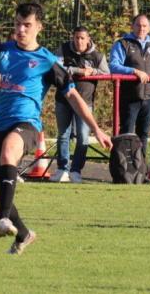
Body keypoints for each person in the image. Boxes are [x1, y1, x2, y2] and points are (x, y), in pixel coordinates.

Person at [0, 2, 112, 255]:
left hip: (26, 123)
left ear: (39, 27)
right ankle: (24, 234)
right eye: (17, 24)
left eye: (27, 25)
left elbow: (72, 96)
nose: (21, 29)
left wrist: (96, 129)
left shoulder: (47, 60)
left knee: (8, 153)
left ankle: (4, 220)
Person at [50, 26, 109, 183]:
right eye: (76, 37)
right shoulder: (63, 49)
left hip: (85, 102)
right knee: (63, 134)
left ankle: (76, 170)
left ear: (88, 39)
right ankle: (62, 168)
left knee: (83, 137)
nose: (79, 41)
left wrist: (94, 72)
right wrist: (79, 71)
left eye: (82, 38)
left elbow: (107, 73)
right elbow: (56, 67)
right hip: (63, 100)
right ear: (72, 37)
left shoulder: (97, 55)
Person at [109, 14, 150, 152]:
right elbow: (113, 66)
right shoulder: (122, 44)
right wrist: (133, 71)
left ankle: (141, 169)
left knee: (143, 134)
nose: (141, 28)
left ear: (149, 28)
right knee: (126, 133)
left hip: (149, 98)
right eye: (138, 25)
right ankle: (125, 169)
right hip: (129, 97)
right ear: (132, 26)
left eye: (145, 25)